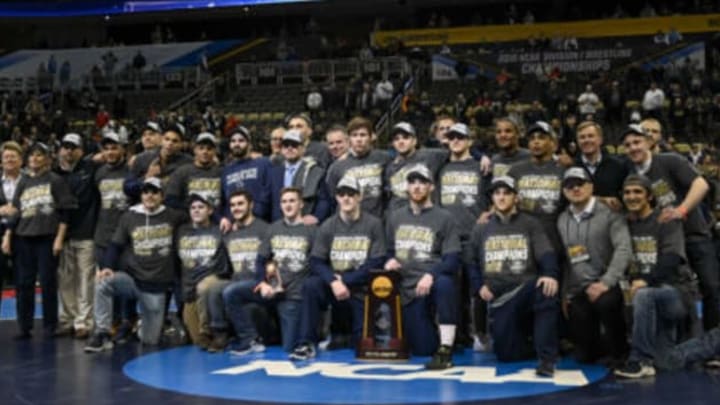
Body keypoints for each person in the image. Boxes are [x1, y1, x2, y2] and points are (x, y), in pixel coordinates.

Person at [622, 124, 720, 330]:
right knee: (674, 290)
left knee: (711, 286)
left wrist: (681, 210)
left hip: (693, 234)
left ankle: (713, 346)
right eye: (628, 144)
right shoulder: (629, 173)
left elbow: (701, 184)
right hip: (663, 243)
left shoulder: (669, 160)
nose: (633, 147)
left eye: (637, 142)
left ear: (648, 142)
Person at [466, 176, 560, 377]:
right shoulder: (482, 226)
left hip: (525, 288)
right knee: (506, 355)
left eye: (506, 193)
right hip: (499, 296)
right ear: (491, 197)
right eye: (497, 193)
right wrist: (478, 285)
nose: (501, 197)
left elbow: (546, 253)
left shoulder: (530, 223)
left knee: (546, 289)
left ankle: (547, 359)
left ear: (516, 197)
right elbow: (471, 260)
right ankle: (529, 343)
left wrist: (550, 274)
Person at [290, 175, 386, 360]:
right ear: (337, 198)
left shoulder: (373, 224)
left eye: (351, 194)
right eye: (342, 194)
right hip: (335, 286)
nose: (346, 198)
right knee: (311, 285)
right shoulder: (328, 225)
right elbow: (316, 261)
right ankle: (305, 343)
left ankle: (348, 336)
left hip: (361, 288)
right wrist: (334, 281)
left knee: (364, 349)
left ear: (359, 196)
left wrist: (346, 280)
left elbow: (377, 261)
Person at [85, 177, 185, 351]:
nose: (149, 196)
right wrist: (107, 266)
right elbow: (115, 245)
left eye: (154, 192)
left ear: (162, 195)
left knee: (150, 340)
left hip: (156, 287)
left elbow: (195, 211)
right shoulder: (130, 216)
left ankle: (141, 326)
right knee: (103, 281)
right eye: (146, 192)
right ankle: (102, 333)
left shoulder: (173, 215)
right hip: (132, 281)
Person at [615, 174, 695, 378]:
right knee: (668, 363)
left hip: (674, 292)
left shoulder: (666, 219)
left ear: (649, 196)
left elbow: (673, 258)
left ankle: (640, 361)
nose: (631, 197)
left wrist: (647, 280)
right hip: (640, 295)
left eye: (637, 192)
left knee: (644, 293)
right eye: (627, 192)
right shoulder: (622, 223)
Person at [385, 165, 461, 369]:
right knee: (423, 349)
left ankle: (446, 347)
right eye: (412, 182)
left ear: (431, 187)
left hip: (432, 281)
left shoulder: (445, 218)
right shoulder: (395, 217)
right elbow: (390, 251)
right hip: (408, 287)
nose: (417, 187)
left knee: (445, 283)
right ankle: (432, 340)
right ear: (407, 187)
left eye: (422, 182)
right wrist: (390, 261)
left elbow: (452, 259)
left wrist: (431, 274)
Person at [223, 187, 316, 353]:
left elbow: (316, 263)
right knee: (231, 292)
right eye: (284, 202)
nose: (288, 205)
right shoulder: (273, 228)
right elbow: (261, 260)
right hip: (270, 288)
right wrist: (262, 283)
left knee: (289, 348)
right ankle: (249, 339)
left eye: (292, 201)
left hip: (292, 295)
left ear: (301, 204)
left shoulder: (312, 230)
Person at [557, 167, 632, 364]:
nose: (575, 189)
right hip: (579, 288)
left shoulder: (610, 212)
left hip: (610, 283)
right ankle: (599, 346)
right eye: (569, 186)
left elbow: (623, 249)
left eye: (580, 184)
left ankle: (621, 350)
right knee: (585, 356)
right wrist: (566, 293)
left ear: (590, 187)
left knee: (606, 303)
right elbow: (565, 259)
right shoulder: (562, 219)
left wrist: (606, 282)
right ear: (564, 191)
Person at [3, 142, 77, 339]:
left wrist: (59, 239)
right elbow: (16, 211)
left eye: (39, 155)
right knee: (23, 283)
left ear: (47, 158)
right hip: (22, 238)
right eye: (32, 156)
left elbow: (65, 212)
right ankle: (24, 326)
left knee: (48, 282)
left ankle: (50, 325)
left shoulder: (56, 180)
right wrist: (8, 236)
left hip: (47, 238)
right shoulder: (23, 182)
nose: (35, 159)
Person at [207, 190, 269, 352]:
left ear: (251, 205)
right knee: (213, 288)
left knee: (230, 291)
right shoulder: (229, 232)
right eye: (233, 205)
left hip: (258, 283)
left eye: (240, 204)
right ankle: (220, 334)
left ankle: (249, 339)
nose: (236, 208)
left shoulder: (264, 229)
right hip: (236, 281)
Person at [54, 133, 101, 339]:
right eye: (65, 147)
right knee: (65, 279)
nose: (69, 151)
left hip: (86, 232)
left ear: (81, 150)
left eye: (73, 147)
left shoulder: (90, 168)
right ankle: (67, 320)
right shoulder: (54, 174)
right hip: (62, 235)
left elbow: (104, 158)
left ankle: (84, 322)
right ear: (59, 150)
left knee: (85, 280)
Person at [176, 193, 230, 349]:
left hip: (213, 280)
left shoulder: (219, 230)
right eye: (193, 208)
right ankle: (206, 335)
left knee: (205, 287)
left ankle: (210, 331)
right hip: (189, 290)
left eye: (201, 207)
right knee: (198, 342)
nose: (196, 211)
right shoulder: (181, 231)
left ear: (210, 211)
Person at [326, 117, 391, 218]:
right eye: (354, 135)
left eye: (363, 135)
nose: (359, 139)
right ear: (349, 139)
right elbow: (333, 195)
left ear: (371, 137)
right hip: (348, 222)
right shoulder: (337, 166)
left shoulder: (384, 158)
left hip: (376, 220)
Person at [384, 122, 448, 212]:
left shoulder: (431, 156)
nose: (401, 142)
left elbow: (455, 153)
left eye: (406, 137)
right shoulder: (390, 167)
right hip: (400, 218)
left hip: (427, 216)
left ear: (414, 141)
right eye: (396, 139)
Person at [269, 130, 330, 224]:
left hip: (305, 225)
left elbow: (324, 199)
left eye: (294, 145)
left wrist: (316, 217)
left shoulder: (315, 171)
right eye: (286, 145)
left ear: (303, 149)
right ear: (282, 149)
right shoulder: (273, 172)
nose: (289, 148)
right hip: (279, 225)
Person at [221, 126, 273, 226]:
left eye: (241, 140)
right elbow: (225, 202)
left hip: (260, 222)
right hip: (235, 225)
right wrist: (231, 219)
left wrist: (250, 216)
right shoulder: (226, 171)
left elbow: (268, 193)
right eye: (233, 141)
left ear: (249, 144)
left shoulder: (263, 164)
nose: (237, 144)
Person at [573, 121, 628, 211]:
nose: (586, 140)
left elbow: (626, 195)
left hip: (611, 220)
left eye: (591, 136)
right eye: (582, 137)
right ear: (577, 141)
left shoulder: (618, 166)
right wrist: (601, 200)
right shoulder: (571, 168)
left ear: (600, 139)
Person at [165, 132, 222, 213]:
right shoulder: (182, 172)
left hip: (216, 220)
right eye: (201, 148)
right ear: (195, 150)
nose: (205, 152)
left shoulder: (221, 173)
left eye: (209, 149)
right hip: (189, 219)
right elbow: (170, 199)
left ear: (215, 151)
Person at [0, 141, 24, 315]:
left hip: (24, 234)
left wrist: (18, 210)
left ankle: (25, 325)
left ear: (20, 160)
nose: (9, 160)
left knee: (23, 281)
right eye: (6, 157)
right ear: (1, 161)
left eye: (13, 157)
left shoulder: (30, 181)